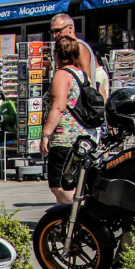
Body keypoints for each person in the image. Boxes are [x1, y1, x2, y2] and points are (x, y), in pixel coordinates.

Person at [40, 36, 88, 204]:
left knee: (58, 185)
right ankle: (66, 225)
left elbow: (59, 107)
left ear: (57, 54)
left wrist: (45, 134)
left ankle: (81, 215)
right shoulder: (80, 74)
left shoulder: (62, 75)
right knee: (70, 185)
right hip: (80, 137)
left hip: (64, 139)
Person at [49, 14, 107, 100]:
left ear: (70, 28)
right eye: (52, 32)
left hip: (79, 105)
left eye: (58, 30)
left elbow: (86, 80)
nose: (55, 35)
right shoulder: (68, 47)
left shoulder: (79, 47)